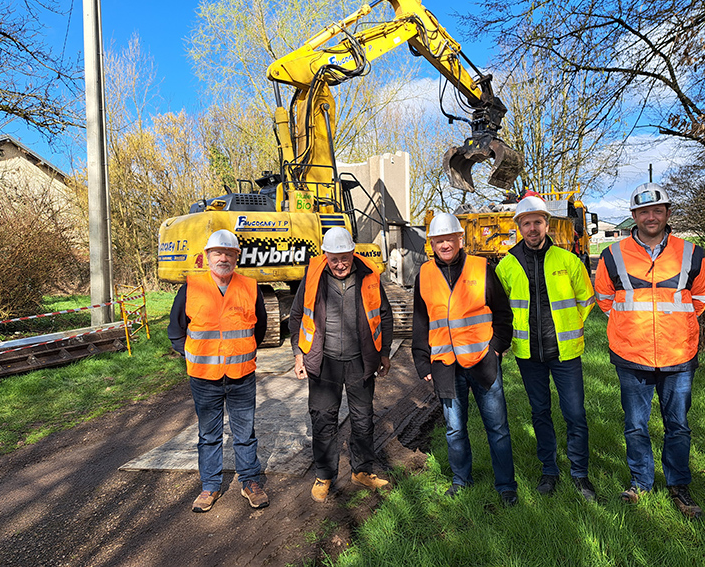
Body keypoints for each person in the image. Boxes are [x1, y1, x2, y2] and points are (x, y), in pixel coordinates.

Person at [595, 182, 705, 519]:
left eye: (657, 210)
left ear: (667, 213)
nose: (650, 217)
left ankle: (678, 486)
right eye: (643, 211)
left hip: (679, 355)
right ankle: (641, 482)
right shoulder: (612, 255)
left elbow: (699, 300)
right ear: (633, 216)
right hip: (632, 356)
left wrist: (675, 327)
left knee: (678, 425)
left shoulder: (691, 253)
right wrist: (632, 328)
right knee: (635, 425)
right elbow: (605, 300)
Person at [495, 194, 597, 501]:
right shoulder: (507, 265)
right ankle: (549, 471)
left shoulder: (568, 261)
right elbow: (500, 308)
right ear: (519, 227)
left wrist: (574, 325)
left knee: (575, 414)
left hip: (565, 354)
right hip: (528, 355)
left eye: (537, 222)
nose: (532, 228)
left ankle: (580, 474)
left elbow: (586, 298)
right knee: (540, 413)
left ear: (547, 224)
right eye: (526, 223)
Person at [412, 213, 518, 505]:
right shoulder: (424, 274)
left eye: (450, 238)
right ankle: (461, 480)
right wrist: (422, 361)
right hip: (445, 365)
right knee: (454, 428)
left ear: (460, 238)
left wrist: (496, 347)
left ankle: (506, 486)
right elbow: (420, 322)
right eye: (438, 240)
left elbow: (503, 313)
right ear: (431, 243)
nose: (444, 244)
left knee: (497, 428)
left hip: (483, 361)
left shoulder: (482, 267)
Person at [288, 227, 394, 503]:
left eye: (344, 257)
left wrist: (383, 352)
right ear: (326, 255)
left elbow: (384, 314)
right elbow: (297, 316)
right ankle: (324, 475)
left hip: (361, 361)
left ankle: (362, 471)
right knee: (323, 419)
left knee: (363, 419)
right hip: (325, 362)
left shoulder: (369, 275)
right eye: (334, 258)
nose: (339, 264)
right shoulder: (313, 277)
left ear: (352, 253)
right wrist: (298, 353)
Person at [167, 229, 269, 513]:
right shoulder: (191, 287)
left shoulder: (250, 286)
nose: (223, 258)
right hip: (204, 378)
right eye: (217, 253)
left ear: (237, 257)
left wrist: (241, 352)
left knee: (244, 432)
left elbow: (259, 328)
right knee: (208, 434)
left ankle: (250, 481)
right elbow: (176, 330)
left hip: (241, 375)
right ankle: (210, 486)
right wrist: (191, 354)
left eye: (229, 253)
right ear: (207, 256)